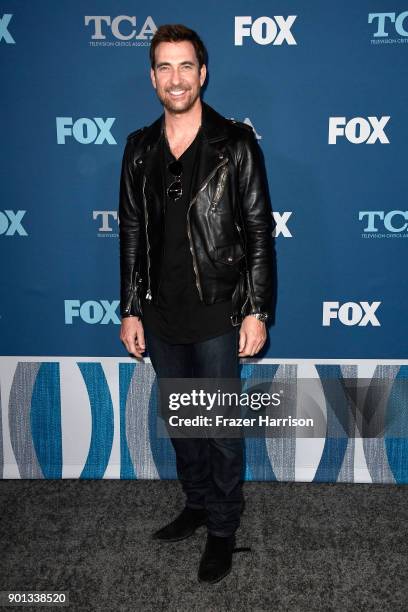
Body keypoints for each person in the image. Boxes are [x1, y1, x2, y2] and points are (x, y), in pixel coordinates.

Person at [118, 23, 276, 584]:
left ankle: (224, 528)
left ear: (203, 73)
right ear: (153, 77)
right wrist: (130, 307)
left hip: (217, 310)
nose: (176, 78)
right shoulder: (139, 148)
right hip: (160, 313)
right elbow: (132, 234)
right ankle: (198, 503)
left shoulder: (234, 143)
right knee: (183, 420)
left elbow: (258, 230)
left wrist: (256, 308)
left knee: (219, 428)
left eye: (186, 66)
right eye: (165, 67)